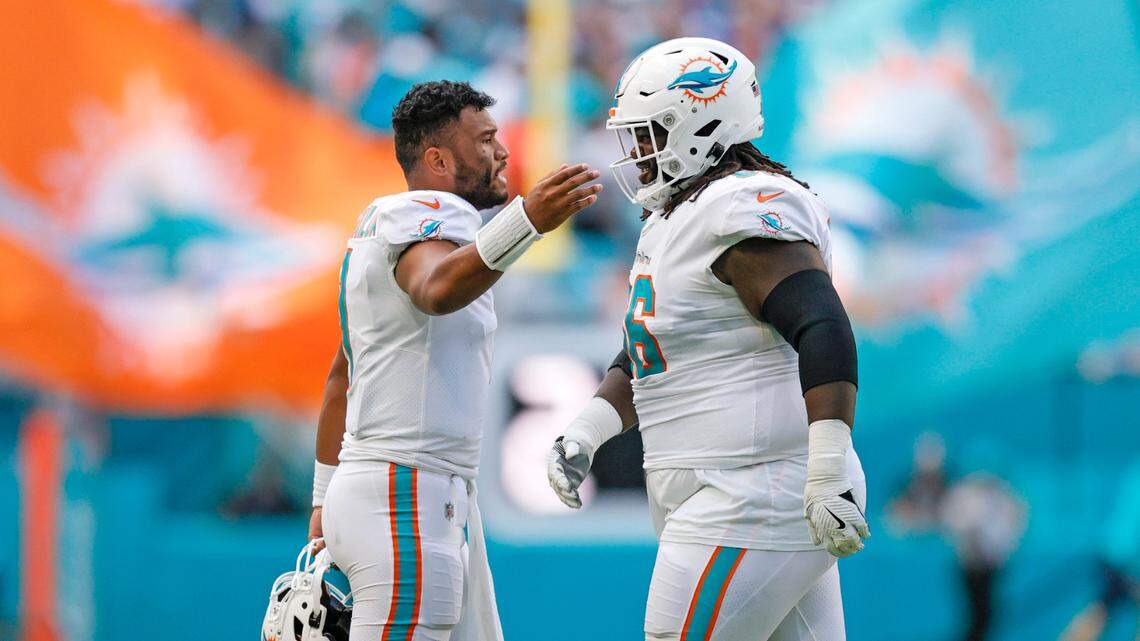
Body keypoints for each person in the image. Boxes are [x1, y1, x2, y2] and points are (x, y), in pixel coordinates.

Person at [547, 37, 869, 641]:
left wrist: (827, 469)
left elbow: (822, 324)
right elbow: (649, 349)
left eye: (650, 135)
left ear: (701, 124)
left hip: (753, 490)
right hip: (740, 488)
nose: (638, 155)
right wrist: (587, 432)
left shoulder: (738, 208)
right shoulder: (681, 216)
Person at [309, 80, 602, 641]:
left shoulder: (385, 225)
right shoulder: (430, 212)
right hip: (406, 491)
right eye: (486, 138)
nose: (503, 151)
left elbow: (341, 377)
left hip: (395, 488)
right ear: (438, 159)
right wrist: (528, 221)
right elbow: (437, 290)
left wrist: (324, 500)